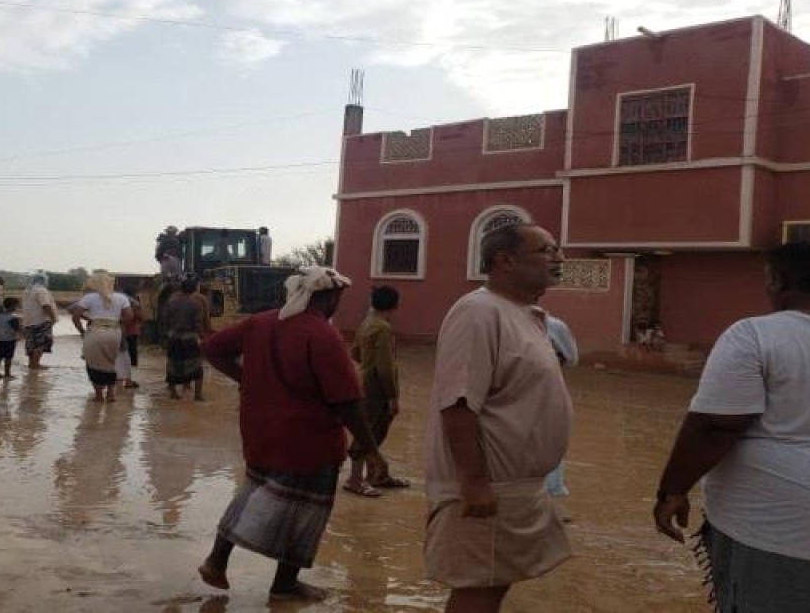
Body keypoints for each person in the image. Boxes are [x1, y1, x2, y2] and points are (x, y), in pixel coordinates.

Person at [653, 243, 810, 610]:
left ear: (776, 280)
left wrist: (672, 490)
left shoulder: (754, 335)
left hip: (780, 528)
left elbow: (715, 426)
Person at [198, 266, 383, 603]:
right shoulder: (322, 334)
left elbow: (212, 348)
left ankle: (216, 562)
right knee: (306, 512)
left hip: (259, 433)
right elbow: (348, 402)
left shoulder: (261, 321)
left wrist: (244, 378)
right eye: (338, 297)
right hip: (309, 442)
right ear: (325, 296)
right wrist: (371, 450)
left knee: (250, 494)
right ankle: (284, 585)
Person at [425, 223, 571, 613]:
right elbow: (457, 402)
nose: (559, 257)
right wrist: (473, 482)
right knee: (477, 588)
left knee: (494, 583)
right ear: (504, 261)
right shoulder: (477, 311)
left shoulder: (526, 313)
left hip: (516, 487)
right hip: (488, 486)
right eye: (546, 249)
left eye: (558, 249)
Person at [344, 285, 409, 498]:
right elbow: (386, 367)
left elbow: (355, 352)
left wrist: (367, 368)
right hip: (377, 390)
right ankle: (355, 480)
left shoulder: (367, 324)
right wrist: (392, 396)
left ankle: (375, 475)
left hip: (365, 383)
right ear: (396, 305)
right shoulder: (383, 328)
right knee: (371, 431)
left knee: (370, 429)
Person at [69, 271, 133, 403]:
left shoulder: (89, 298)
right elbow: (129, 316)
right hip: (114, 332)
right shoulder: (122, 298)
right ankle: (110, 394)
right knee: (110, 363)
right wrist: (117, 324)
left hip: (95, 331)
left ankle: (99, 395)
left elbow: (75, 316)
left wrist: (82, 331)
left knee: (92, 363)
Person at [543, 314, 578, 513]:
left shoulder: (553, 326)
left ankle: (550, 503)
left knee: (551, 441)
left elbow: (571, 358)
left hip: (547, 393)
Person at [163, 275, 212, 400]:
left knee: (173, 365)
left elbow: (165, 321)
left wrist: (166, 337)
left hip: (173, 337)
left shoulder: (171, 302)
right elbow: (198, 324)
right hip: (189, 338)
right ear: (194, 289)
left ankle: (173, 393)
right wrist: (204, 338)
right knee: (197, 367)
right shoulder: (195, 305)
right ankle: (198, 395)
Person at [22, 273, 58, 370]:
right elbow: (45, 305)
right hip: (41, 320)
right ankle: (35, 364)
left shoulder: (27, 290)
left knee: (31, 344)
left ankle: (32, 363)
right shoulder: (42, 290)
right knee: (41, 343)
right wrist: (53, 317)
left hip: (28, 321)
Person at [116, 286, 144, 388]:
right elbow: (140, 316)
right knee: (130, 358)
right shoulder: (133, 302)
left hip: (117, 332)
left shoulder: (117, 300)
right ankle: (128, 381)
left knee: (118, 356)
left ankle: (117, 380)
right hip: (131, 333)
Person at [0, 297, 22, 380]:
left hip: (0, 339)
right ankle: (7, 373)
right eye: (16, 306)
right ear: (12, 306)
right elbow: (17, 329)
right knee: (8, 357)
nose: (16, 308)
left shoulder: (0, 315)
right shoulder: (13, 318)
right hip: (9, 340)